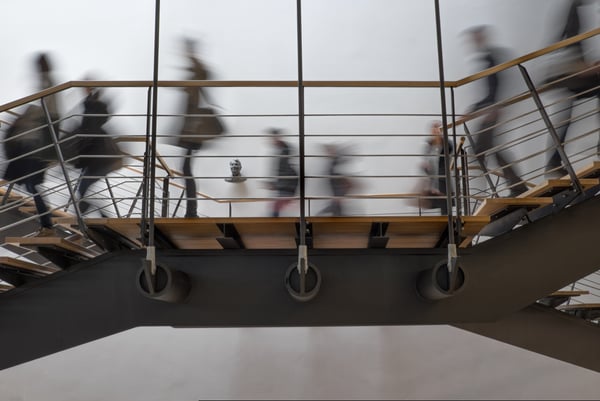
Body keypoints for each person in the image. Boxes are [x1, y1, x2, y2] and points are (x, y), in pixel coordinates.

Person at [464, 25, 528, 197]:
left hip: (493, 109)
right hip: (491, 107)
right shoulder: (487, 57)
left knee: (479, 150)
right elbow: (491, 89)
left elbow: (496, 84)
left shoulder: (490, 57)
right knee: (487, 148)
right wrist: (475, 108)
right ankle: (515, 185)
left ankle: (507, 188)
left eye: (476, 37)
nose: (474, 41)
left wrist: (495, 106)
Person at [2, 53, 61, 235]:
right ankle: (46, 223)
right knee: (30, 184)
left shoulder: (48, 84)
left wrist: (25, 118)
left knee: (30, 184)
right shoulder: (47, 84)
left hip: (36, 147)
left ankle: (47, 224)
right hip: (35, 147)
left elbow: (50, 111)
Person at [543, 0, 600, 178]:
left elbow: (565, 36)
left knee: (565, 114)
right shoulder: (574, 7)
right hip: (570, 72)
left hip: (568, 71)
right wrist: (582, 65)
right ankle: (553, 162)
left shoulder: (574, 7)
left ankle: (553, 162)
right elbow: (572, 37)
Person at [175, 37, 223, 218]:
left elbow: (203, 72)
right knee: (186, 169)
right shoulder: (194, 78)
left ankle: (192, 211)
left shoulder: (198, 74)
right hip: (192, 130)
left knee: (186, 169)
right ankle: (191, 211)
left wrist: (190, 55)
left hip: (194, 131)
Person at [69, 85, 123, 215]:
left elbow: (95, 115)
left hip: (103, 159)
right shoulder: (93, 118)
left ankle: (93, 216)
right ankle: (93, 216)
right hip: (101, 159)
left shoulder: (93, 116)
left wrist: (90, 97)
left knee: (83, 188)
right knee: (82, 189)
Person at [415, 121, 454, 215]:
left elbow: (449, 159)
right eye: (434, 128)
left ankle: (447, 226)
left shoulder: (447, 144)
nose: (436, 130)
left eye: (438, 128)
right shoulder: (428, 145)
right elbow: (425, 161)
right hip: (432, 179)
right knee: (432, 202)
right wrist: (424, 167)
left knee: (445, 204)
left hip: (443, 178)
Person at [267, 128, 298, 217]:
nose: (271, 141)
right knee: (275, 209)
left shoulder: (284, 152)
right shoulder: (282, 151)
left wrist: (274, 184)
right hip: (285, 186)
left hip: (286, 186)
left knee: (275, 210)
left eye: (273, 138)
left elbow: (284, 172)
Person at [318, 144, 352, 216]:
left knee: (330, 211)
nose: (327, 153)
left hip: (337, 194)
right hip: (336, 194)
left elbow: (346, 181)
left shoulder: (336, 163)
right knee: (337, 212)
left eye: (329, 150)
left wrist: (340, 195)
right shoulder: (333, 163)